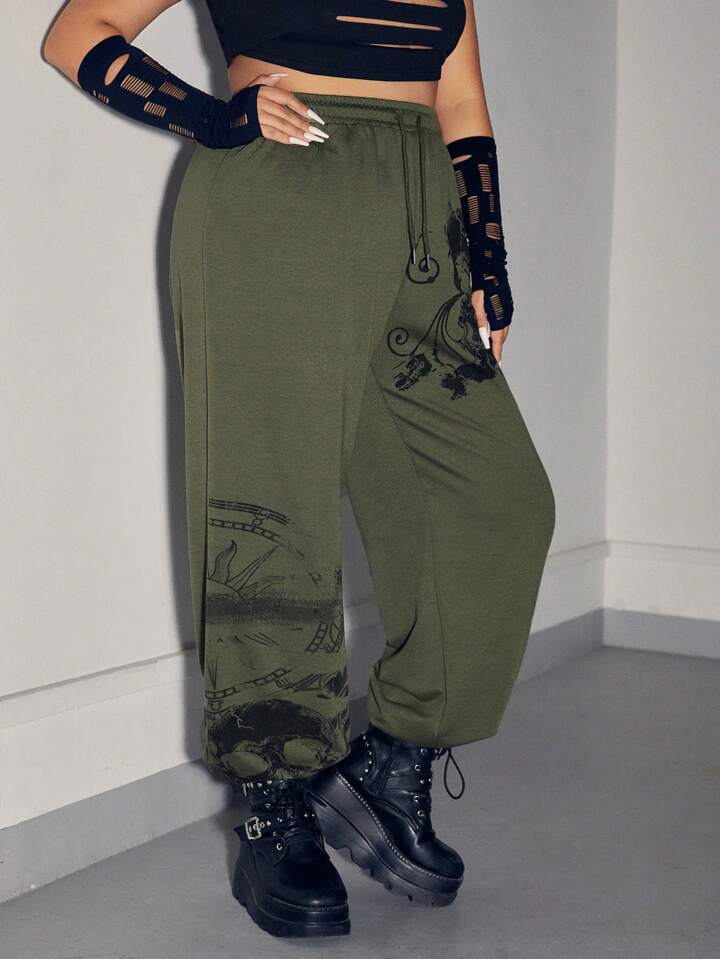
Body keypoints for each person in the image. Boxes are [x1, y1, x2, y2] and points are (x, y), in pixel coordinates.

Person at [43, 0, 556, 940]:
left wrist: (486, 249)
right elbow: (77, 33)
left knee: (497, 504)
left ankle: (387, 765)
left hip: (421, 222)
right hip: (277, 199)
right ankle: (274, 797)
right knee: (273, 509)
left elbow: (460, 97)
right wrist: (212, 119)